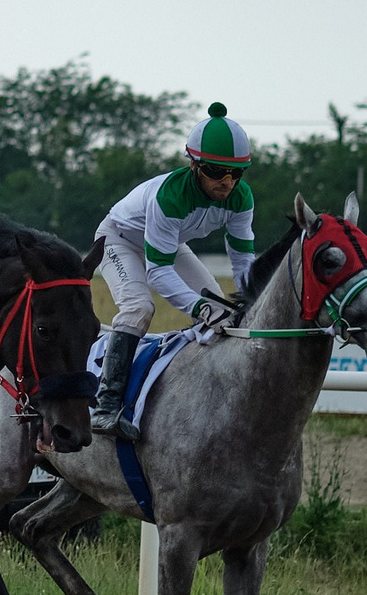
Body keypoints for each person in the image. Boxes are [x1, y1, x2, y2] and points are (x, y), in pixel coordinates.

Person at [89, 102, 258, 440]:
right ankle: (106, 406)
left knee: (223, 312)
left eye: (235, 173)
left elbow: (243, 263)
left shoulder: (241, 198)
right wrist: (200, 307)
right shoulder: (170, 196)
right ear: (194, 165)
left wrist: (251, 302)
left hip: (169, 242)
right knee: (139, 307)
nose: (226, 183)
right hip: (118, 239)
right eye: (216, 171)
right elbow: (159, 273)